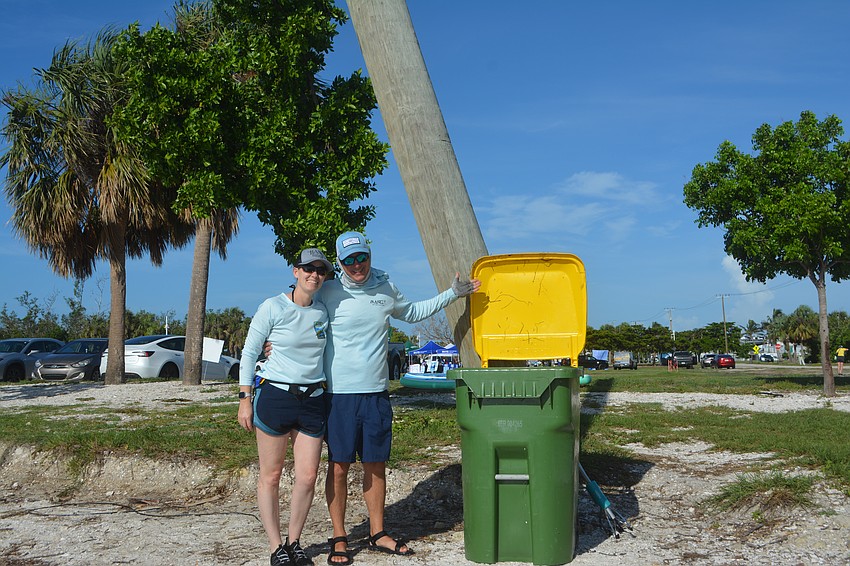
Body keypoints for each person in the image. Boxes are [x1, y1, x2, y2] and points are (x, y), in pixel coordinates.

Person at [238, 248, 334, 566]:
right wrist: (244, 400)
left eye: (320, 271)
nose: (314, 275)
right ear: (296, 272)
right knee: (271, 475)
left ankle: (294, 543)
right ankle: (276, 546)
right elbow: (250, 352)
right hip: (275, 397)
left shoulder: (323, 311)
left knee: (307, 476)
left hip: (312, 400)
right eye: (309, 269)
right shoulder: (273, 306)